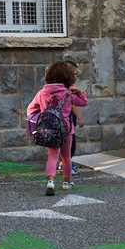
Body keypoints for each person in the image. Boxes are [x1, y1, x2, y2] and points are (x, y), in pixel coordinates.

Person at [27, 62, 88, 196]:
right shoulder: (68, 93)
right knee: (66, 157)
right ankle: (67, 182)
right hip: (66, 130)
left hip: (49, 130)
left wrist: (40, 118)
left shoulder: (42, 93)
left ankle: (50, 181)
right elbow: (83, 103)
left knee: (52, 156)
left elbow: (30, 109)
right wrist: (80, 92)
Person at [58, 61, 84, 176]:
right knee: (70, 143)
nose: (75, 75)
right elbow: (77, 103)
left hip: (57, 119)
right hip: (67, 120)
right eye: (74, 73)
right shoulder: (68, 89)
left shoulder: (53, 87)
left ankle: (58, 168)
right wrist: (80, 117)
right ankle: (66, 168)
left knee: (58, 145)